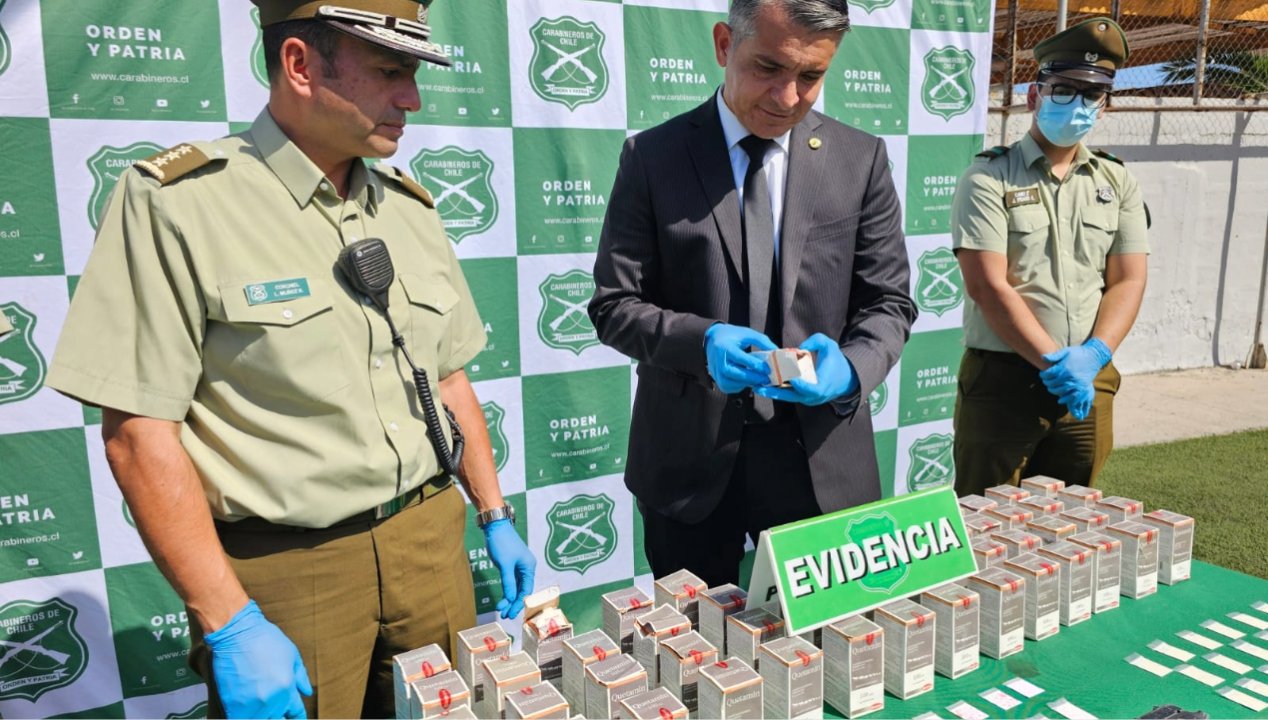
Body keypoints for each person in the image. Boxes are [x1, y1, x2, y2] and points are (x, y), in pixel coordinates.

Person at [46, 2, 535, 717]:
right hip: (289, 574)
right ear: (300, 65)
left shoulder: (408, 206)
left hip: (429, 544)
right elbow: (139, 433)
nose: (413, 99)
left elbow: (448, 378)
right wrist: (229, 620)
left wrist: (492, 512)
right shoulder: (179, 203)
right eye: (389, 71)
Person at [589, 0, 916, 586]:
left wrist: (851, 369)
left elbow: (889, 303)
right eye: (768, 67)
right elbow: (614, 305)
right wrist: (700, 342)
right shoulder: (653, 157)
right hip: (687, 467)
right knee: (692, 641)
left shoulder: (860, 159)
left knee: (824, 643)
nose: (787, 97)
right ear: (724, 44)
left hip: (820, 466)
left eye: (811, 76)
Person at [951, 17, 1149, 495]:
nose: (1078, 104)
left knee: (1074, 519)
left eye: (1092, 94)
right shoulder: (989, 178)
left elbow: (1128, 279)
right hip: (1004, 382)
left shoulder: (1116, 180)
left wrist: (1094, 355)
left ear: (1104, 106)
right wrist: (1055, 364)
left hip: (1089, 380)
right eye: (1064, 90)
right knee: (987, 518)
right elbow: (988, 286)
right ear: (1034, 96)